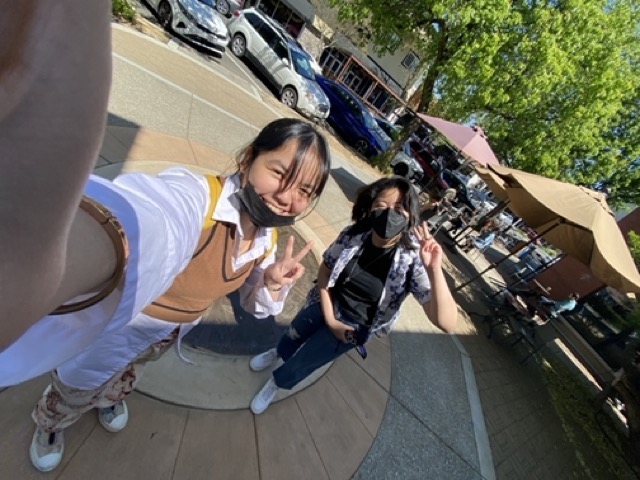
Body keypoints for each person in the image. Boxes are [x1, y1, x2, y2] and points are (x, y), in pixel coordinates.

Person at [9, 117, 331, 472]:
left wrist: (269, 283)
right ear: (250, 157)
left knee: (129, 373)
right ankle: (50, 424)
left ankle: (110, 398)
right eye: (280, 174)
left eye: (304, 191)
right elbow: (151, 213)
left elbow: (255, 304)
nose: (287, 198)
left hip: (166, 335)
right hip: (125, 324)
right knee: (77, 382)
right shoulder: (197, 198)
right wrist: (102, 240)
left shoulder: (266, 238)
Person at [246, 176, 458, 415]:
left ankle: (276, 383)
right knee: (295, 331)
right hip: (325, 301)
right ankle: (278, 352)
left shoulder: (412, 261)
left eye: (399, 209)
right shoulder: (355, 234)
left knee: (308, 359)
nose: (389, 214)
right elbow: (326, 269)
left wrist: (434, 269)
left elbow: (447, 323)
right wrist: (329, 317)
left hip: (354, 328)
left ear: (411, 216)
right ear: (370, 207)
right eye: (382, 206)